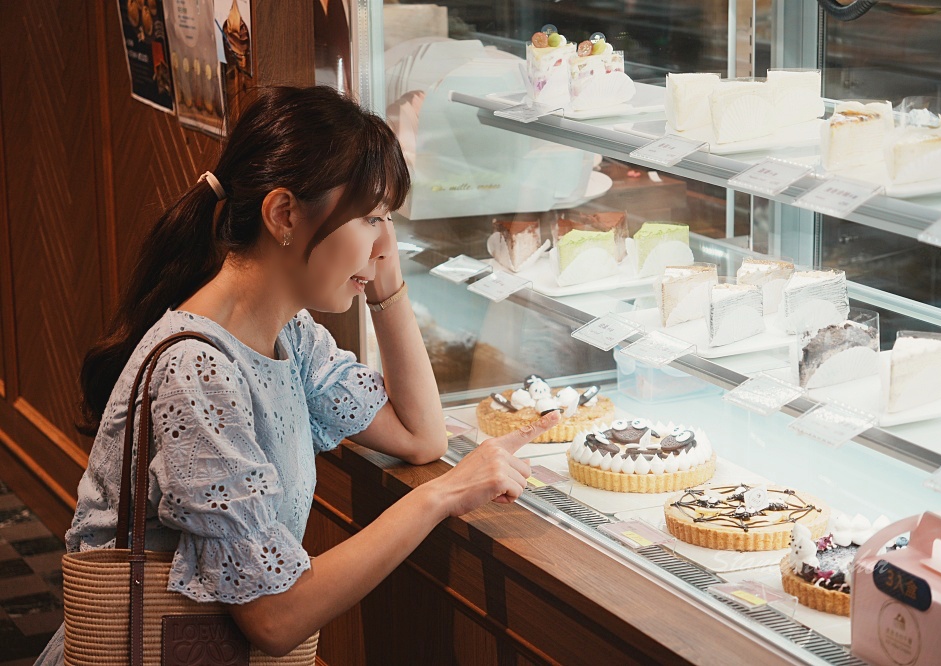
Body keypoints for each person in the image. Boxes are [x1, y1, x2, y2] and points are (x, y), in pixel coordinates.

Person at [34, 86, 559, 663]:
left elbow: (420, 435)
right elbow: (274, 618)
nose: (387, 244)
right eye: (371, 219)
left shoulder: (292, 334)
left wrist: (384, 286)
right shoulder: (198, 369)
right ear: (283, 214)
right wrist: (441, 496)